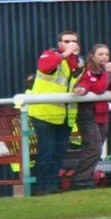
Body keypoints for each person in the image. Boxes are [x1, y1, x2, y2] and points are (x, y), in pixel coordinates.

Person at [28, 31, 85, 195]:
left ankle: (52, 186)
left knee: (59, 152)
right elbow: (45, 67)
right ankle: (38, 187)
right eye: (67, 41)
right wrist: (66, 53)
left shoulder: (80, 62)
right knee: (47, 151)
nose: (71, 44)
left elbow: (82, 80)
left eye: (74, 41)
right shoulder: (49, 54)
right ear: (60, 43)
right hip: (43, 112)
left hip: (65, 115)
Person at [70, 44, 111, 190]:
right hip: (87, 114)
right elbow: (99, 89)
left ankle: (86, 179)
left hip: (102, 114)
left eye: (106, 54)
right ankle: (80, 181)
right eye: (100, 54)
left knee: (97, 148)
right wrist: (108, 74)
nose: (104, 57)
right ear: (92, 56)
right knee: (93, 148)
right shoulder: (87, 71)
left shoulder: (104, 72)